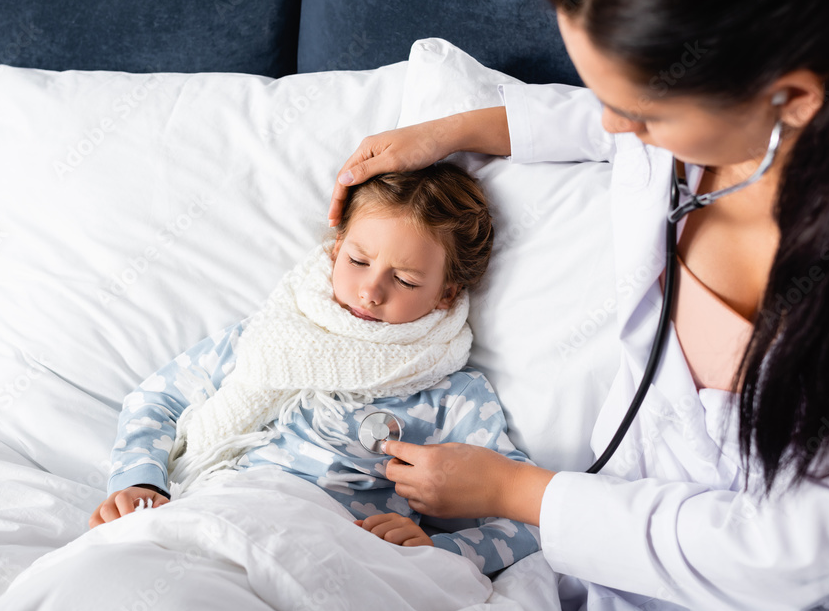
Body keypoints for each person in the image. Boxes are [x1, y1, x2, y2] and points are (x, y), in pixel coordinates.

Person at [328, 0, 829, 611]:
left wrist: (515, 491)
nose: (615, 127)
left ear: (795, 99)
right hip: (594, 565)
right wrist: (451, 131)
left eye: (642, 114)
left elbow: (785, 557)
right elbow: (597, 116)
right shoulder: (709, 120)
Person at [90, 162, 542, 576]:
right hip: (217, 506)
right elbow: (157, 399)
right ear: (335, 250)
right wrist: (140, 481)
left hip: (333, 545)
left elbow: (527, 520)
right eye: (358, 261)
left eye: (405, 280)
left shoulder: (453, 395)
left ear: (446, 293)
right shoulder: (270, 335)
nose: (370, 291)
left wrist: (442, 548)